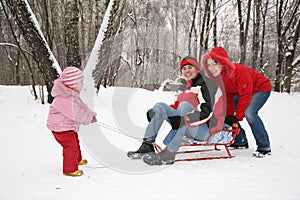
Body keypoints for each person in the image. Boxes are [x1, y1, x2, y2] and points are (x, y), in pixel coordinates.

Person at [127, 56, 218, 165]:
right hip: (185, 125)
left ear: (197, 69)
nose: (187, 71)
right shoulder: (182, 87)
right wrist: (156, 113)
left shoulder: (206, 84)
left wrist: (185, 119)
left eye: (190, 67)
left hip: (202, 130)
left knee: (184, 106)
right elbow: (175, 107)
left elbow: (207, 111)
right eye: (184, 69)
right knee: (160, 106)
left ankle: (169, 152)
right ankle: (147, 145)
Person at [201, 46, 272, 157]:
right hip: (242, 92)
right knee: (225, 113)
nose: (211, 68)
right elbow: (227, 96)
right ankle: (240, 140)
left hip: (260, 89)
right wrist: (229, 115)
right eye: (208, 65)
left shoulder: (239, 71)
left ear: (222, 62)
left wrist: (238, 116)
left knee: (250, 113)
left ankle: (264, 147)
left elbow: (246, 94)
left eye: (214, 63)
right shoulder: (219, 77)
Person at [47, 66, 97, 176]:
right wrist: (87, 119)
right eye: (81, 82)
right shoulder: (65, 98)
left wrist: (91, 115)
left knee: (75, 141)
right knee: (70, 146)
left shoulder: (72, 95)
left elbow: (82, 107)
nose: (82, 84)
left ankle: (77, 160)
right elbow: (76, 114)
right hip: (60, 128)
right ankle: (69, 169)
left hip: (66, 126)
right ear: (73, 84)